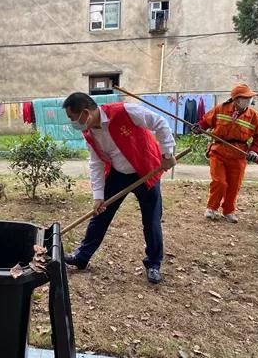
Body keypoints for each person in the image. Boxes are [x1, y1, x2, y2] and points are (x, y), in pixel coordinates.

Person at [62, 93, 176, 284]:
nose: (73, 123)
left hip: (145, 170)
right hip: (118, 174)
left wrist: (167, 153)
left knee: (151, 220)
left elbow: (160, 122)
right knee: (100, 215)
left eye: (73, 118)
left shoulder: (125, 111)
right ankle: (82, 257)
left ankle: (154, 264)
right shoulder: (89, 131)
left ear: (85, 113)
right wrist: (98, 195)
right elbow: (96, 162)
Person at [192, 84, 258, 223]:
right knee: (220, 182)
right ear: (236, 100)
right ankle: (211, 208)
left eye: (250, 98)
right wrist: (199, 127)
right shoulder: (221, 109)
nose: (249, 100)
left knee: (234, 185)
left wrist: (254, 151)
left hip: (239, 154)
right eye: (246, 98)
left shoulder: (254, 116)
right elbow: (206, 121)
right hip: (218, 151)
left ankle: (229, 211)